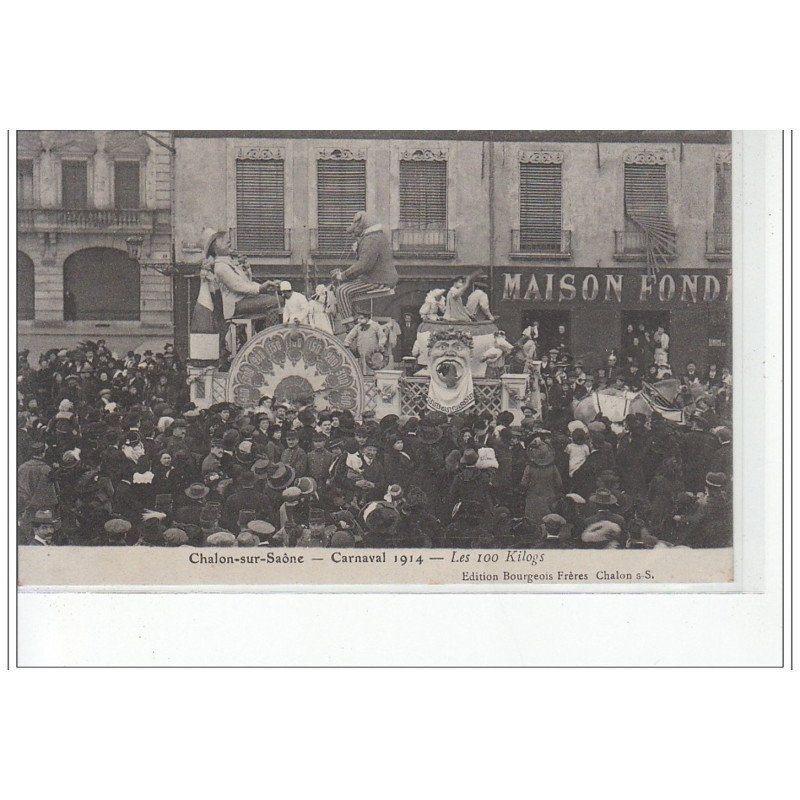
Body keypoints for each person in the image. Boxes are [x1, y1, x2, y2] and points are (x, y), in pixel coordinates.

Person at [332, 212, 398, 323]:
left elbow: (364, 265)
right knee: (347, 288)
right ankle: (354, 318)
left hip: (377, 279)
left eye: (354, 231)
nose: (354, 235)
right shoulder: (375, 236)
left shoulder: (371, 239)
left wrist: (343, 275)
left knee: (342, 291)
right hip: (377, 277)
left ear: (361, 226)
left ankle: (349, 326)